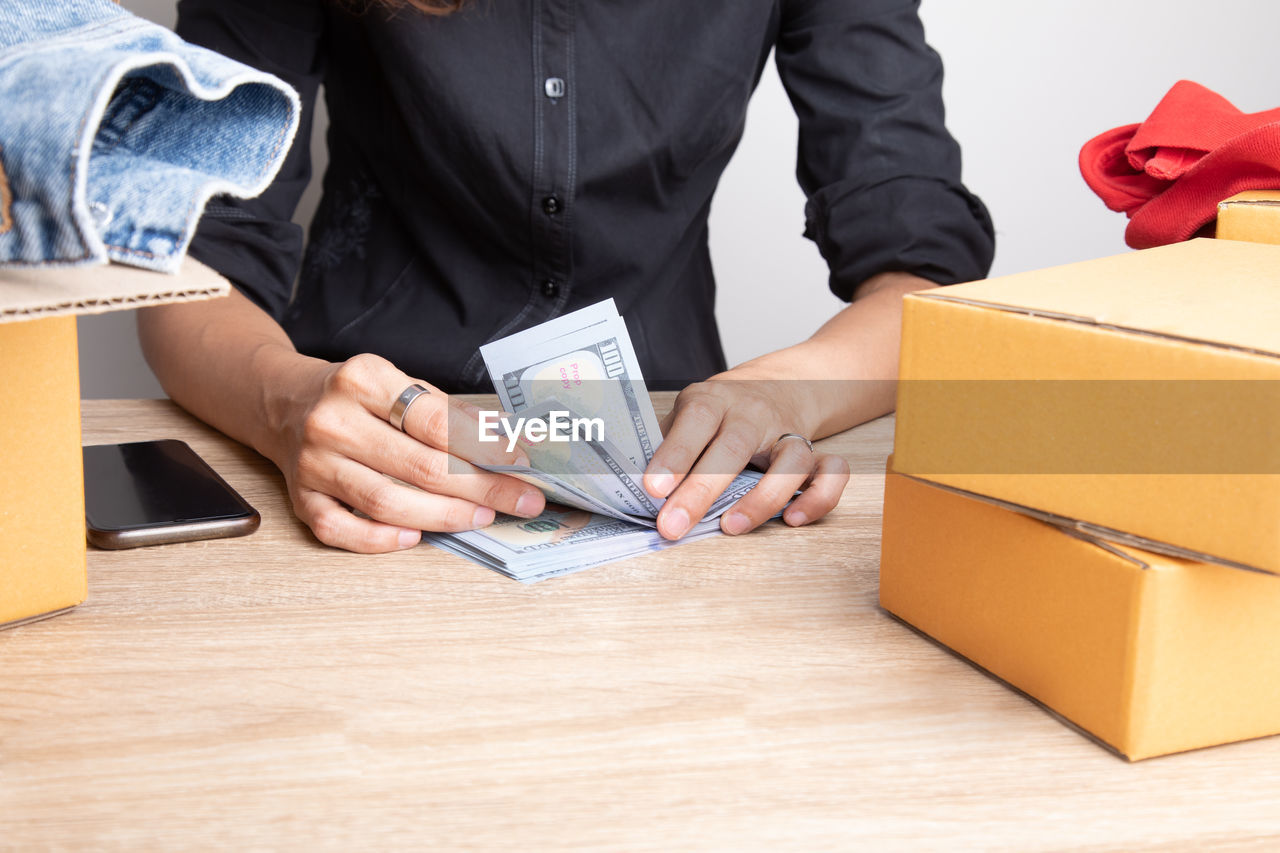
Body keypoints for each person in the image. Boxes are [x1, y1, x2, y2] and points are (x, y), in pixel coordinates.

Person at [138, 0, 994, 554]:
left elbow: (920, 276)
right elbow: (191, 257)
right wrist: (286, 402)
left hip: (667, 463)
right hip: (360, 453)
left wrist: (786, 393)